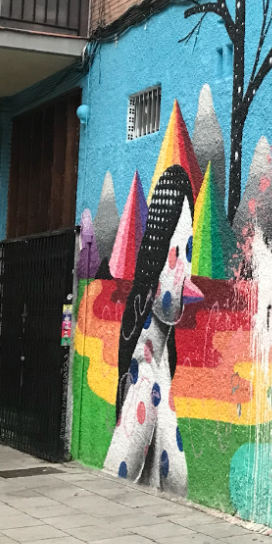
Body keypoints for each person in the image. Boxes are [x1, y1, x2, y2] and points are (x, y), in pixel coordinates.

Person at [104, 165, 201, 494]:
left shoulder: (161, 358)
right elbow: (122, 466)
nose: (185, 269)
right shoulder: (143, 365)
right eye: (182, 253)